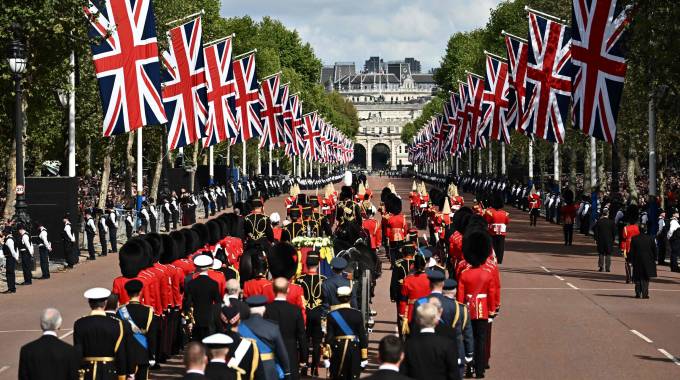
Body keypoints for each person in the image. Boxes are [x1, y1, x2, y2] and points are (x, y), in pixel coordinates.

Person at [457, 230, 498, 379]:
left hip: (467, 310)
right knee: (481, 340)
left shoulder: (464, 273)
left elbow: (460, 297)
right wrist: (492, 311)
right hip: (483, 310)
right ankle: (480, 370)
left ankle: (469, 367)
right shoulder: (487, 273)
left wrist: (460, 310)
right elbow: (492, 294)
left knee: (468, 338)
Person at [73, 288, 127, 380]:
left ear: (89, 303)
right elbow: (120, 352)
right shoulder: (116, 324)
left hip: (87, 373)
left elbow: (78, 351)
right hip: (109, 372)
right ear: (105, 303)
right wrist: (122, 374)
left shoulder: (80, 323)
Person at [400, 303, 460, 380]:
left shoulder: (408, 345)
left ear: (418, 320)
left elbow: (403, 373)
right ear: (436, 320)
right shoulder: (447, 344)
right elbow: (454, 374)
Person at [238, 295, 291, 380]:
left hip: (246, 368)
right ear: (264, 309)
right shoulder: (273, 327)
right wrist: (287, 372)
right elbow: (282, 353)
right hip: (268, 367)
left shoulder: (240, 327)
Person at [264, 278, 308, 380]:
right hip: (290, 351)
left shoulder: (266, 309)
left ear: (273, 290)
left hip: (272, 352)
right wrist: (303, 358)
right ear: (287, 290)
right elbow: (301, 335)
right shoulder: (296, 310)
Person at [18, 308, 79, 380]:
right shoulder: (70, 351)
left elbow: (23, 377)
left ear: (41, 325)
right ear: (58, 325)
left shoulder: (27, 350)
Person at [323, 286, 368, 380]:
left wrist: (326, 355)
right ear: (350, 297)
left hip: (337, 350)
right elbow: (362, 336)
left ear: (337, 297)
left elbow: (329, 336)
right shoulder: (357, 314)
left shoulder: (332, 314)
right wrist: (364, 357)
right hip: (354, 349)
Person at [118, 279, 157, 380]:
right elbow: (152, 336)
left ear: (127, 293)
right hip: (142, 354)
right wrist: (152, 355)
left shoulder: (120, 311)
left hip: (126, 355)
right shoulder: (148, 311)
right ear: (140, 292)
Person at [295, 253, 325, 376]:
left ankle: (304, 365)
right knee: (317, 343)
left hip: (305, 315)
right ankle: (315, 368)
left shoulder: (299, 280)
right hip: (318, 314)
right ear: (318, 264)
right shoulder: (323, 279)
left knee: (304, 341)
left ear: (306, 265)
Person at [184, 255, 221, 342]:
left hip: (195, 317)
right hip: (209, 317)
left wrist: (188, 320)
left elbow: (188, 303)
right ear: (209, 267)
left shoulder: (191, 283)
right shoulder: (213, 284)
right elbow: (218, 303)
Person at [628, 226, 658, 299]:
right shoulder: (651, 238)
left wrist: (630, 260)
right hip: (648, 260)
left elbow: (631, 251)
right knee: (646, 277)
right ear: (646, 230)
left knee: (637, 277)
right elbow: (655, 250)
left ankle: (638, 293)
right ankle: (645, 294)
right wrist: (655, 259)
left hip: (637, 260)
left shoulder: (634, 238)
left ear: (639, 230)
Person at [483, 194, 509, 264]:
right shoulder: (505, 213)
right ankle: (499, 259)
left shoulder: (489, 212)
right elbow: (507, 222)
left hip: (492, 231)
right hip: (502, 232)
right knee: (501, 246)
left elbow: (487, 221)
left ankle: (493, 258)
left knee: (493, 245)